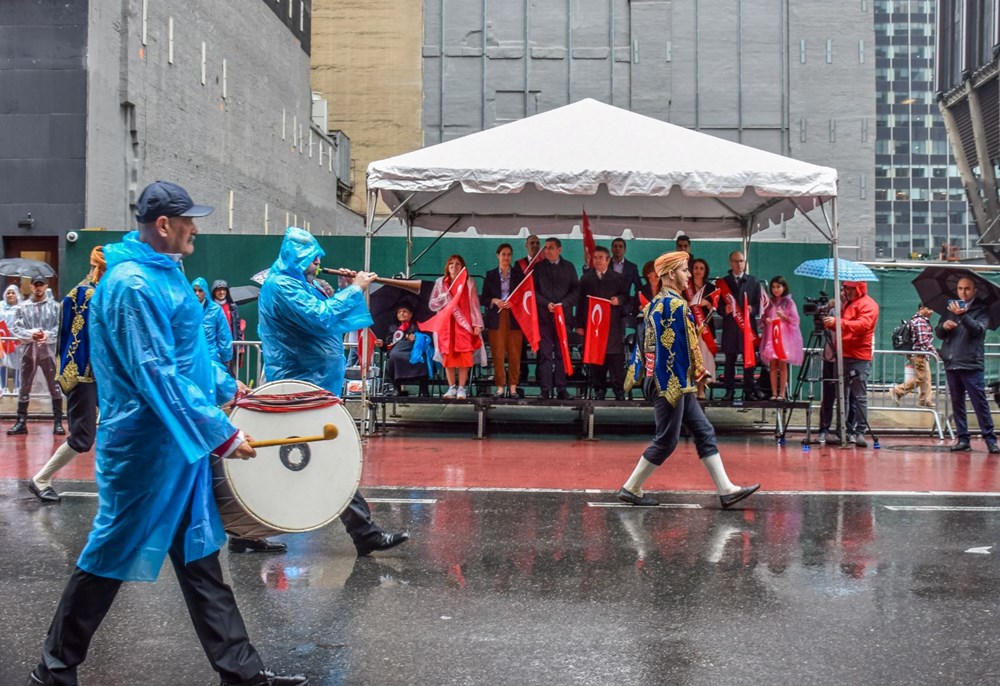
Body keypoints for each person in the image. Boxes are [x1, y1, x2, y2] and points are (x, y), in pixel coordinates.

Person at [25, 180, 308, 686]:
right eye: (189, 220)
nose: (195, 228)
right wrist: (220, 432)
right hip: (147, 450)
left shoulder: (162, 275)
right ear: (164, 225)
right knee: (110, 553)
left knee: (199, 557)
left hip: (175, 445)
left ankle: (242, 674)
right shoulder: (134, 284)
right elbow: (154, 372)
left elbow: (186, 358)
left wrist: (228, 385)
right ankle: (53, 669)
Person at [259, 225, 410, 556]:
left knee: (284, 460)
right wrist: (355, 289)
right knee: (326, 458)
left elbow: (328, 310)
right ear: (299, 257)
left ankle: (245, 531)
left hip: (310, 386)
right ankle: (365, 533)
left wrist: (343, 289)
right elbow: (321, 319)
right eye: (314, 258)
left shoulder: (301, 283)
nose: (318, 262)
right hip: (297, 386)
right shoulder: (282, 286)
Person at [618, 251, 760, 508]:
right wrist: (696, 371)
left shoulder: (655, 304)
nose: (687, 275)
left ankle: (726, 489)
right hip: (670, 381)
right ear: (671, 274)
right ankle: (631, 487)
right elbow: (677, 348)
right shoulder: (675, 306)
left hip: (668, 379)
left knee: (703, 431)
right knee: (666, 440)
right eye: (684, 270)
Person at [27, 247, 106, 504]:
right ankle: (41, 479)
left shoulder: (87, 292)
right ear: (101, 269)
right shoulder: (88, 294)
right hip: (83, 376)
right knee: (83, 437)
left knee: (121, 426)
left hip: (97, 376)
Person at [935, 277, 999, 453]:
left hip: (971, 363)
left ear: (974, 291)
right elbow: (939, 332)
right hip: (952, 361)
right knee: (957, 403)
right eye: (960, 288)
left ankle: (990, 439)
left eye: (967, 289)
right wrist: (943, 327)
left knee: (979, 403)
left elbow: (978, 329)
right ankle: (963, 439)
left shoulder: (982, 310)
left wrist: (963, 315)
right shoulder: (950, 308)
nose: (963, 292)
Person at [817, 280, 879, 448]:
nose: (847, 291)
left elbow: (863, 326)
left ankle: (859, 431)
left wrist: (837, 323)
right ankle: (842, 431)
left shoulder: (868, 305)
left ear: (858, 288)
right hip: (843, 354)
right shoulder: (847, 305)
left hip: (859, 355)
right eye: (845, 288)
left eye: (850, 289)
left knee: (858, 395)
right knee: (841, 395)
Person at [7, 276, 63, 436]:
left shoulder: (55, 307)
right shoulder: (22, 308)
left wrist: (47, 335)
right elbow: (16, 328)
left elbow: (60, 327)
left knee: (55, 385)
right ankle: (21, 422)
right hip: (28, 352)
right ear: (31, 287)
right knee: (24, 385)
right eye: (35, 285)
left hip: (49, 352)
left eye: (41, 285)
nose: (38, 288)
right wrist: (31, 335)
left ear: (46, 286)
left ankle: (58, 422)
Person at [575, 246, 629, 400]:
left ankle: (619, 391)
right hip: (593, 327)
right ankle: (599, 389)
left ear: (608, 260)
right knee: (596, 359)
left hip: (612, 326)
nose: (597, 261)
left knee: (615, 360)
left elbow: (627, 297)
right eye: (595, 258)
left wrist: (619, 300)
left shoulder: (618, 278)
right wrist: (579, 325)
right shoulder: (586, 278)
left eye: (600, 258)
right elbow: (580, 303)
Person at [429, 254, 484, 400]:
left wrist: (477, 323)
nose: (454, 266)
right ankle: (451, 387)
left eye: (458, 263)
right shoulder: (440, 283)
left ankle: (461, 388)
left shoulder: (468, 282)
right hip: (446, 326)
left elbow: (474, 304)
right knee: (448, 357)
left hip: (463, 325)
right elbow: (432, 304)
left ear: (462, 266)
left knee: (464, 357)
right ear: (447, 266)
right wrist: (442, 298)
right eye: (451, 263)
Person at [534, 237, 579, 399]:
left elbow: (576, 291)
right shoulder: (539, 268)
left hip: (563, 319)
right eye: (545, 248)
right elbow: (534, 291)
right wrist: (547, 304)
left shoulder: (569, 267)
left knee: (561, 354)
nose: (547, 251)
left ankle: (561, 388)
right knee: (545, 354)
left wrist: (562, 304)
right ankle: (545, 389)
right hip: (544, 318)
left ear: (559, 249)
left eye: (551, 248)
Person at [716, 251, 762, 402]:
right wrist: (724, 310)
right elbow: (718, 307)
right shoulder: (723, 282)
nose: (739, 264)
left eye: (741, 261)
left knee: (749, 360)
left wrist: (752, 309)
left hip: (747, 328)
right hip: (730, 327)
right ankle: (729, 391)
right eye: (736, 261)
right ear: (730, 262)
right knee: (730, 360)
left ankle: (749, 390)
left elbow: (758, 305)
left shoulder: (754, 281)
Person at [481, 243, 524, 398]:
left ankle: (513, 387)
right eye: (503, 254)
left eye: (509, 254)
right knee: (498, 353)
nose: (506, 257)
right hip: (496, 317)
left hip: (514, 317)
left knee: (514, 353)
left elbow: (524, 296)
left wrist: (515, 302)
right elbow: (484, 298)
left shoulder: (519, 275)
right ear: (497, 255)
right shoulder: (490, 275)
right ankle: (500, 386)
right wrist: (495, 300)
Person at [759, 276, 803, 402]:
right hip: (771, 337)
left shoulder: (789, 303)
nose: (776, 289)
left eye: (778, 286)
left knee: (782, 366)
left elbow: (795, 320)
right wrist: (765, 320)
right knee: (772, 365)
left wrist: (784, 316)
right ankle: (773, 392)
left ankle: (782, 393)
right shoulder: (769, 302)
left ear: (784, 287)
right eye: (773, 287)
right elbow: (763, 318)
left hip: (784, 338)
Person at [890, 303, 937, 408]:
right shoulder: (920, 321)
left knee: (926, 377)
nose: (932, 312)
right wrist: (934, 352)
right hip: (919, 354)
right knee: (921, 377)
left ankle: (925, 400)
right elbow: (923, 340)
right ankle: (897, 391)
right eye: (929, 308)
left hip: (920, 353)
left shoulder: (919, 320)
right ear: (921, 309)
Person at [378, 304, 430, 397]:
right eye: (399, 312)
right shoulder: (393, 328)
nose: (401, 314)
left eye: (404, 311)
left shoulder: (417, 326)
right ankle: (397, 389)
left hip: (413, 350)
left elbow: (424, 339)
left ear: (410, 314)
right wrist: (382, 345)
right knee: (393, 356)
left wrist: (416, 339)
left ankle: (424, 390)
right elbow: (388, 346)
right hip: (397, 352)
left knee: (421, 358)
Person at [686, 258, 717, 400]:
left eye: (701, 268)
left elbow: (717, 307)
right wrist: (690, 303)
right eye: (696, 268)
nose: (698, 271)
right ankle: (691, 388)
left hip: (706, 330)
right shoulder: (685, 286)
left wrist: (708, 304)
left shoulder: (711, 288)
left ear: (706, 271)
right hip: (690, 327)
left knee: (703, 359)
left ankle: (701, 389)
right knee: (691, 359)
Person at [192, 276, 234, 367]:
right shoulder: (187, 309)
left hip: (211, 357)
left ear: (205, 292)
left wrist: (226, 358)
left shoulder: (215, 310)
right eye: (194, 290)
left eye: (200, 290)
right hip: (192, 357)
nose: (196, 293)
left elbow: (223, 334)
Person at [212, 279, 244, 375]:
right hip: (215, 347)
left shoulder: (232, 307)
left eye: (224, 289)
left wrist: (240, 345)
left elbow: (237, 327)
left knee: (231, 373)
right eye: (219, 290)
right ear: (214, 292)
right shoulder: (210, 307)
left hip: (231, 346)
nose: (222, 292)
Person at [610, 237, 643, 318]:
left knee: (621, 330)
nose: (618, 248)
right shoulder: (605, 265)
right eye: (615, 246)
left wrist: (635, 303)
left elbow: (638, 287)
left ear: (625, 250)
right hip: (607, 302)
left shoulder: (632, 267)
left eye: (620, 246)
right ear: (611, 249)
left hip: (624, 306)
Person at [1, 283, 22, 395]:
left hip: (15, 339)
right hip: (3, 339)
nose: (10, 295)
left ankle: (17, 386)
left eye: (13, 293)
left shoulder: (21, 308)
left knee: (16, 363)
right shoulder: (0, 306)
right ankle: (3, 387)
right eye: (8, 293)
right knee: (2, 363)